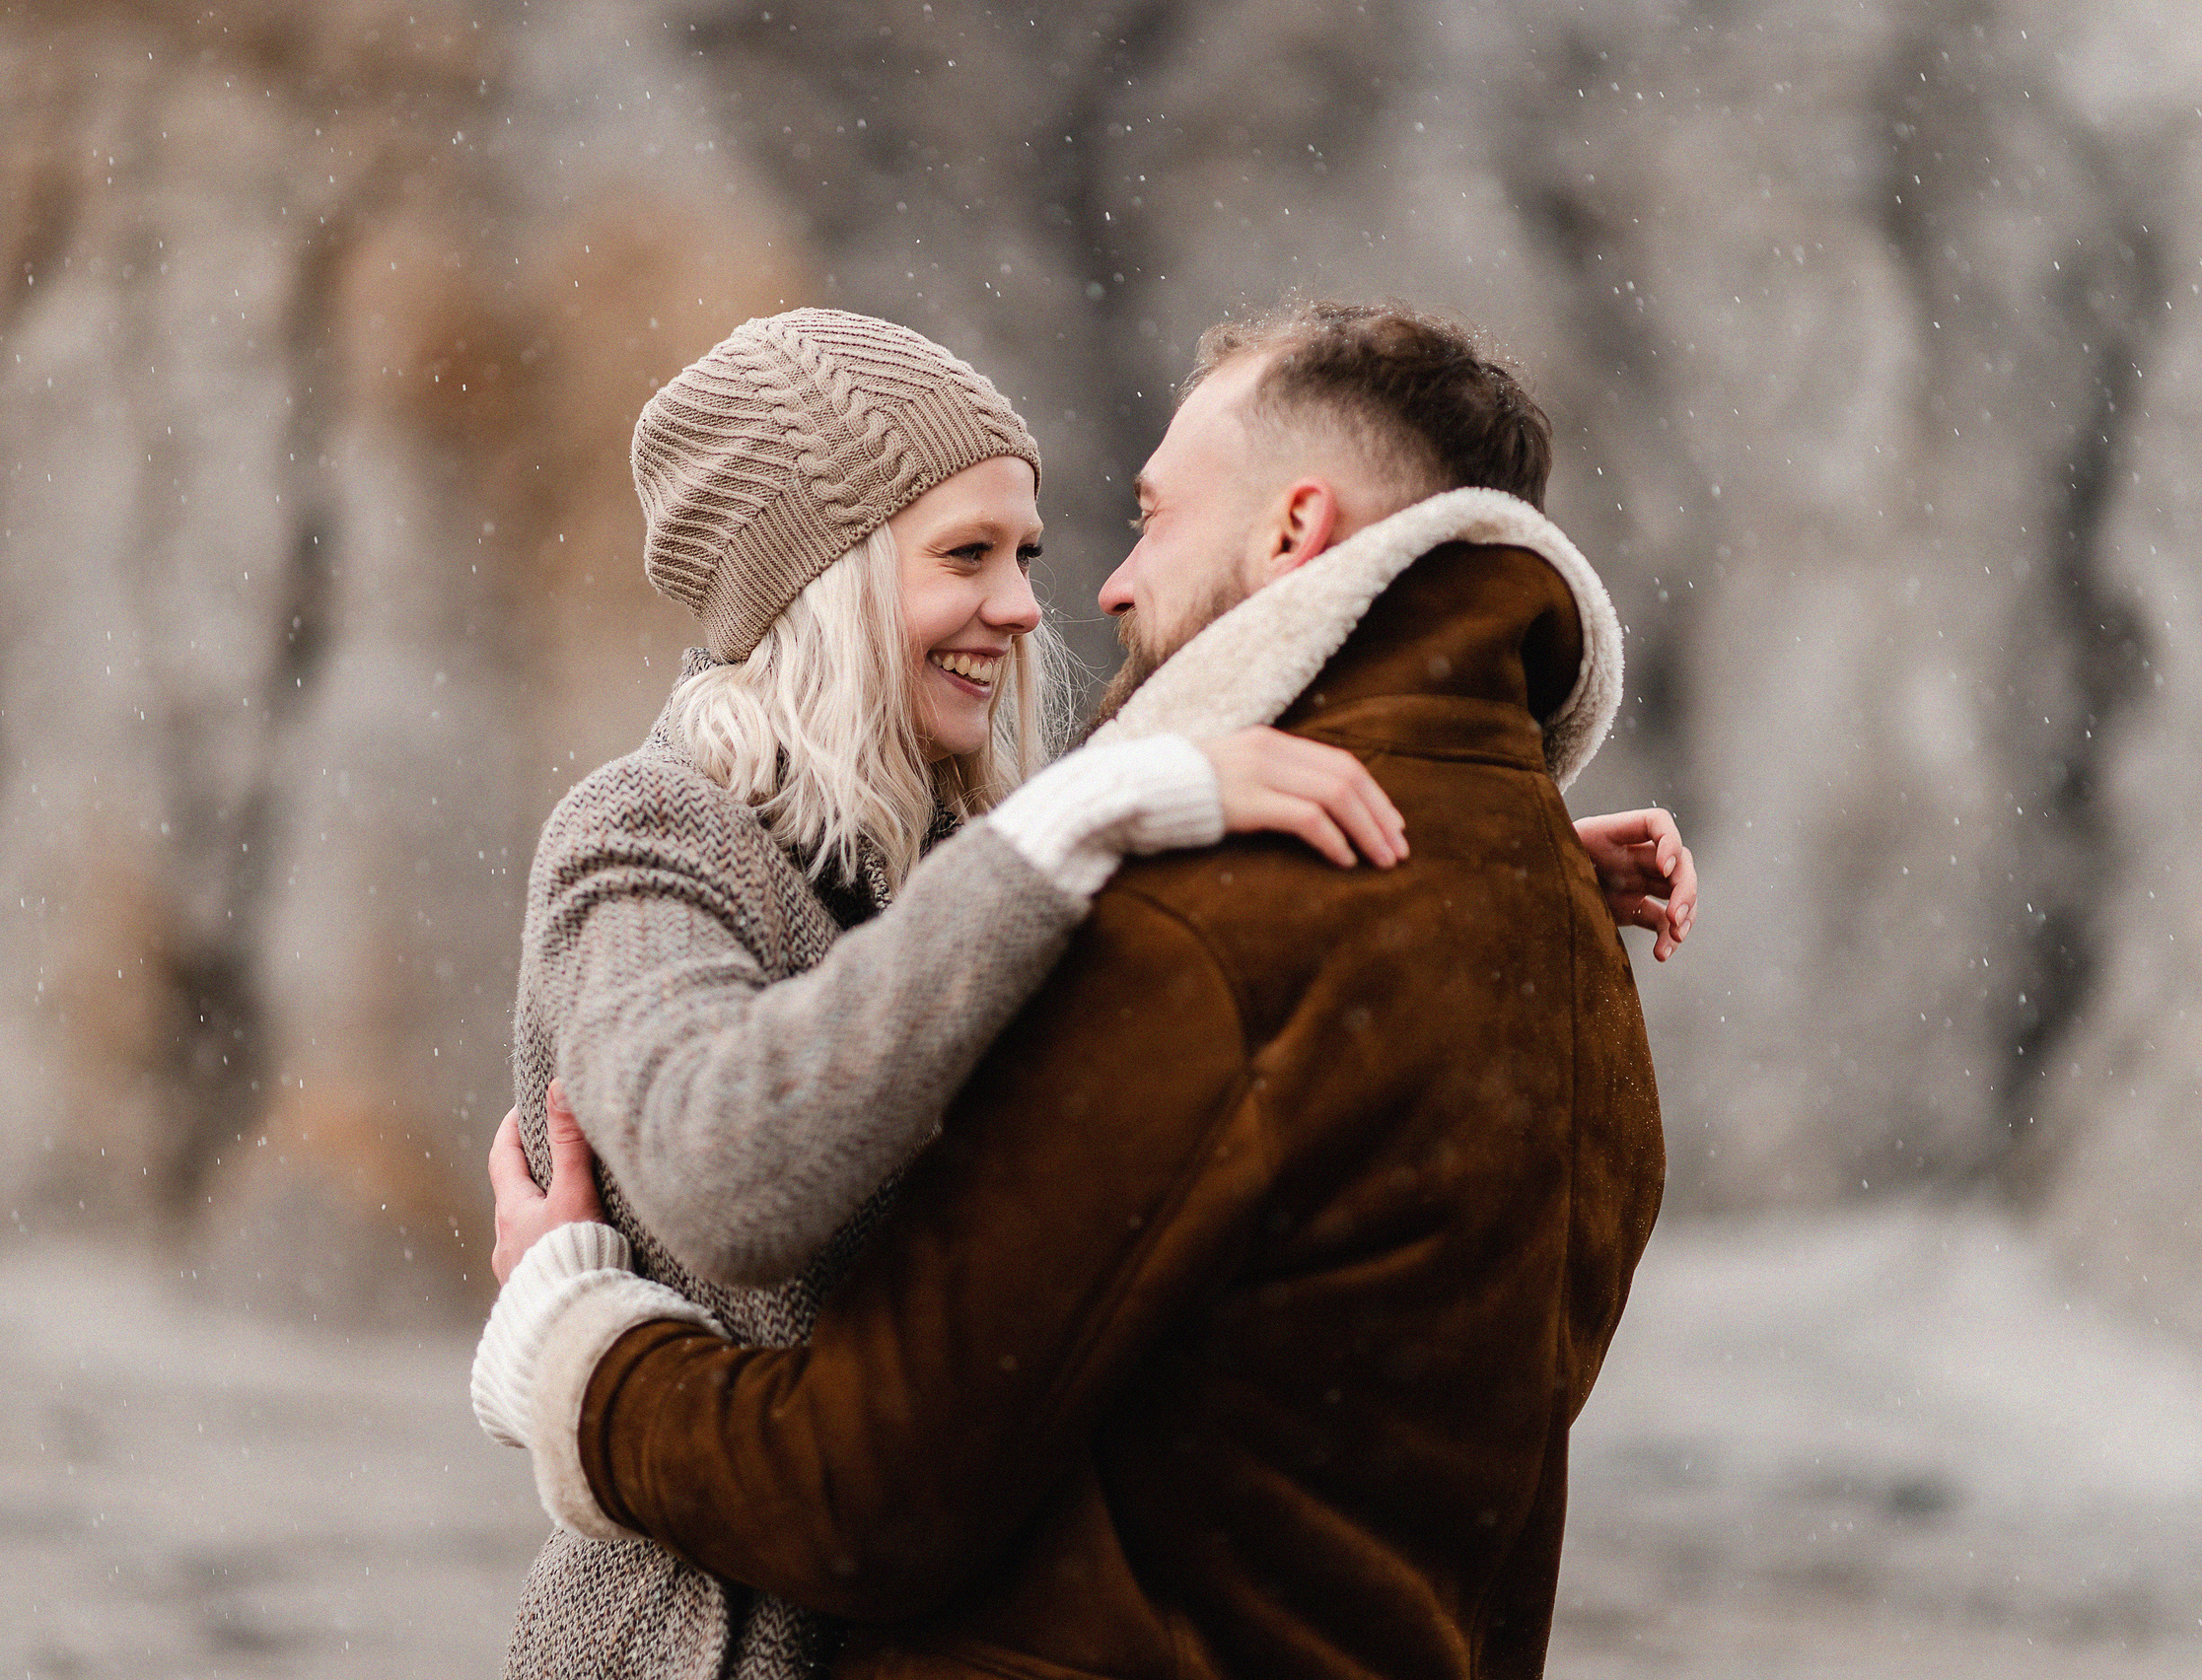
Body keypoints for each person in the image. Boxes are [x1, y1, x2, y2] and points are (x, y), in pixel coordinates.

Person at [475, 299, 1681, 1680]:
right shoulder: (650, 831)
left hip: (891, 1593)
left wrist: (1463, 891)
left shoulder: (978, 857)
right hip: (702, 1647)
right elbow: (723, 1168)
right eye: (965, 555)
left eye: (1025, 551)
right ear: (824, 577)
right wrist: (565, 1339)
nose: (1034, 601)